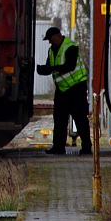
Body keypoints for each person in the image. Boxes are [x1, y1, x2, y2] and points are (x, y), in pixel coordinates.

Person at [36, 25, 93, 155]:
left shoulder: (70, 47)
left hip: (76, 87)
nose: (50, 42)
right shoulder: (52, 50)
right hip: (62, 89)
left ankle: (86, 146)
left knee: (80, 118)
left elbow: (69, 66)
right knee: (59, 119)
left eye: (50, 39)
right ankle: (58, 147)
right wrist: (43, 69)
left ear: (57, 36)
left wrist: (51, 68)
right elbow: (50, 66)